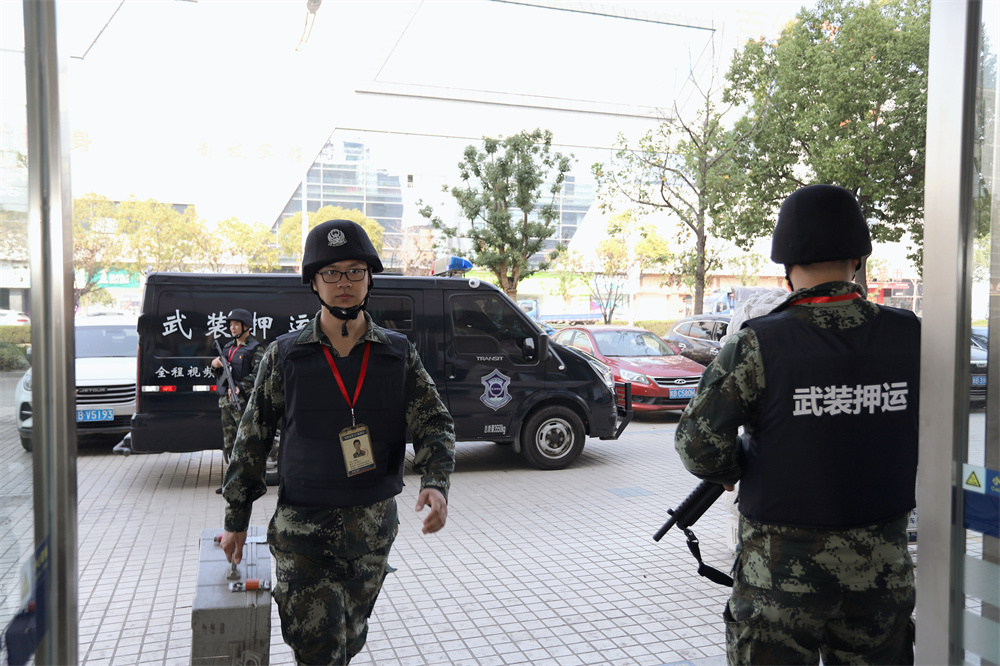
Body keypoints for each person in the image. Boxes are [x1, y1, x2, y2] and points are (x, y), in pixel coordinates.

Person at [675, 184, 920, 666]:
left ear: (786, 264)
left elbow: (697, 444)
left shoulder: (757, 344)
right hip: (881, 570)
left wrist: (732, 469)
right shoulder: (910, 335)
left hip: (780, 576)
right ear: (858, 258)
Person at [220, 219, 456, 665]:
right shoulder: (285, 355)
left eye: (354, 271)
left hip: (372, 533)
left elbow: (434, 422)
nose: (343, 282)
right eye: (331, 273)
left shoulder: (397, 353)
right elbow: (251, 438)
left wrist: (436, 482)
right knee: (320, 651)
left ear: (369, 278)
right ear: (314, 282)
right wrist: (236, 518)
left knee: (349, 639)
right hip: (303, 535)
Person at [211, 308, 263, 494]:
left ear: (246, 326)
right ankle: (232, 483)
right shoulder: (227, 347)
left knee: (245, 443)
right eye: (231, 324)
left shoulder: (255, 348)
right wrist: (214, 365)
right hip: (226, 402)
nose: (232, 328)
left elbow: (259, 374)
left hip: (244, 403)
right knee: (230, 443)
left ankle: (248, 483)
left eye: (236, 324)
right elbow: (220, 374)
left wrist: (241, 386)